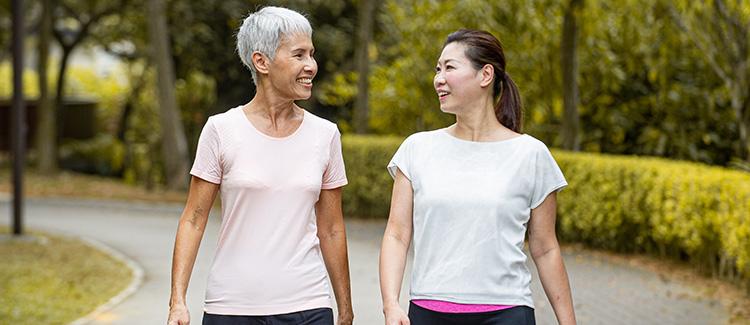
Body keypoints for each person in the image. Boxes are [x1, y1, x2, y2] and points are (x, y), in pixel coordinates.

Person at [167, 6, 353, 325]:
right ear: (262, 61)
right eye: (298, 55)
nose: (311, 65)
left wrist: (345, 308)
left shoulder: (325, 135)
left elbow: (332, 228)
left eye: (312, 54)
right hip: (232, 306)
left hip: (308, 304)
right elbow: (194, 219)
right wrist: (177, 301)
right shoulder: (221, 130)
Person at [379, 29, 576, 325]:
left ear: (485, 75)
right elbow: (397, 233)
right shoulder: (417, 149)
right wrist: (390, 304)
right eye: (437, 69)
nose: (438, 78)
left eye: (449, 67)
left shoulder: (531, 154)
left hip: (507, 311)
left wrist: (568, 322)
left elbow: (545, 247)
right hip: (429, 310)